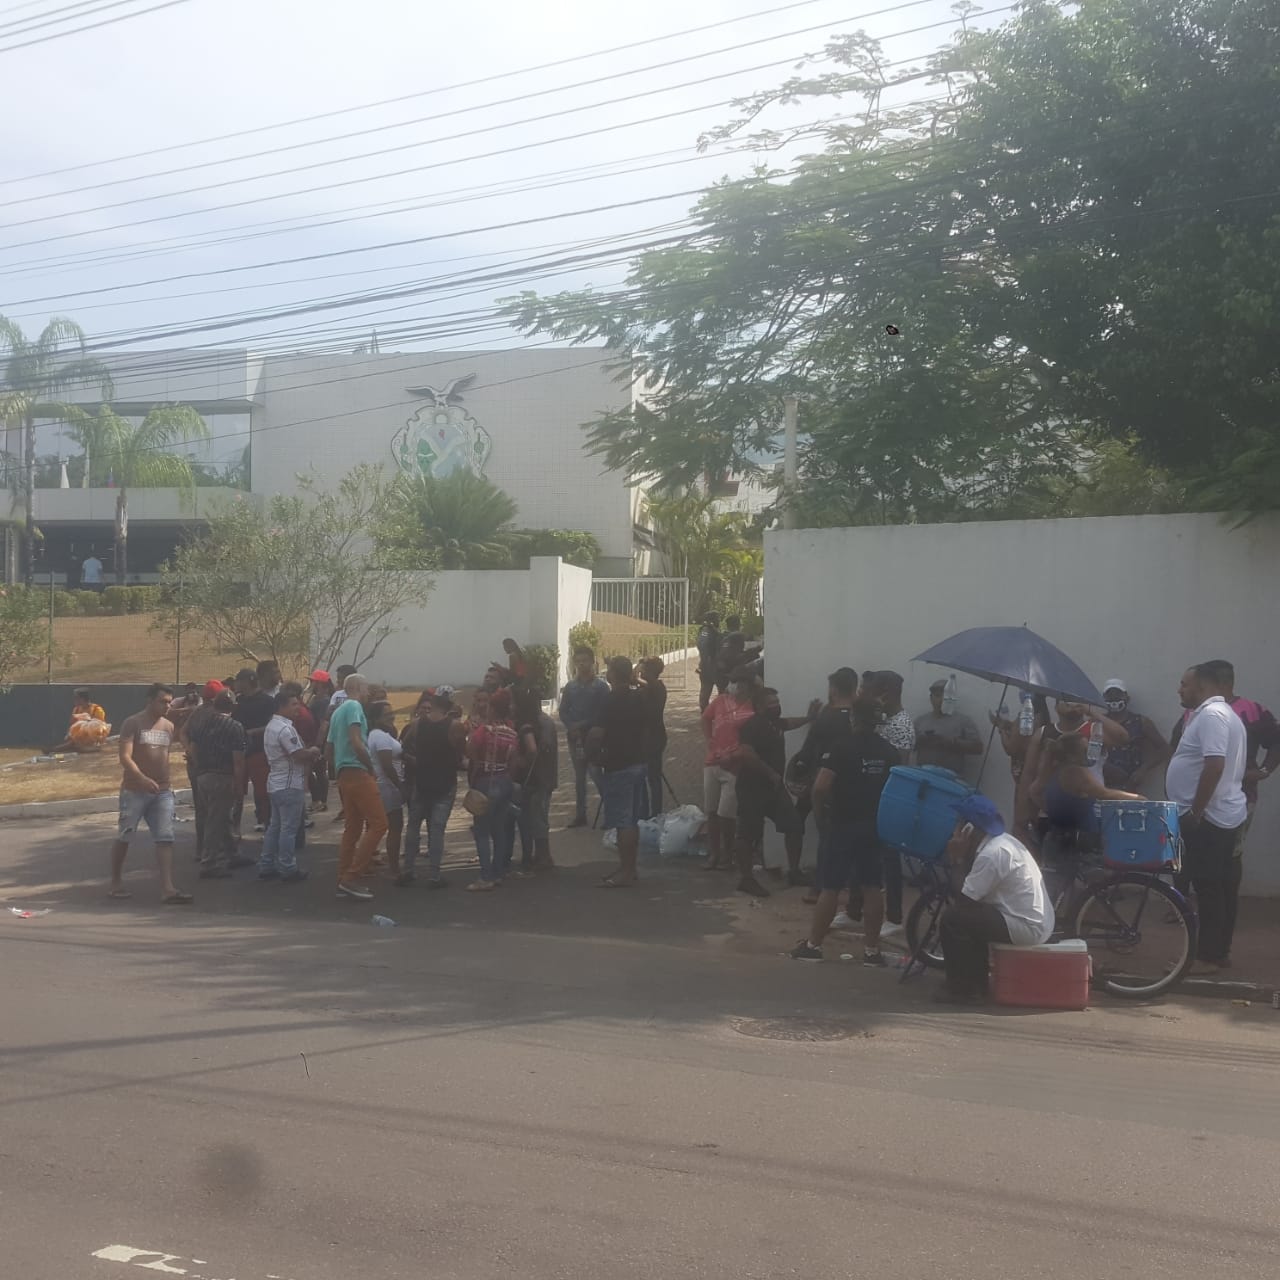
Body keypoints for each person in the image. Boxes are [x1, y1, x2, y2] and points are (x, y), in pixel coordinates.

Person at [790, 700, 900, 964]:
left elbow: (820, 787)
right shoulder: (889, 751)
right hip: (874, 826)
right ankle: (872, 951)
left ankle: (814, 946)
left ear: (854, 718)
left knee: (831, 887)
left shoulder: (841, 747)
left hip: (842, 825)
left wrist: (820, 815)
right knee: (872, 887)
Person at [1166, 661, 1248, 975]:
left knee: (1209, 887)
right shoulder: (1220, 714)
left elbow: (1214, 765)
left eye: (1184, 684)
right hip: (1220, 815)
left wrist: (1196, 811)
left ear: (1202, 685)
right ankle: (1218, 953)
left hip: (1209, 818)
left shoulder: (1212, 715)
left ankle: (1208, 957)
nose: (1179, 690)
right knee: (1221, 887)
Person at [935, 794, 1054, 1003]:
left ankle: (964, 990)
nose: (955, 829)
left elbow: (964, 899)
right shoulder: (1001, 842)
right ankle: (975, 984)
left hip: (1027, 926)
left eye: (959, 824)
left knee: (953, 919)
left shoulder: (992, 854)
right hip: (1030, 919)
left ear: (969, 829)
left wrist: (957, 859)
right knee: (970, 917)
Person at [107, 683, 192, 905]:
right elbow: (125, 757)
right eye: (162, 701)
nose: (167, 706)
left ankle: (168, 888)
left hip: (162, 791)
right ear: (150, 700)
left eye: (169, 702)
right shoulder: (133, 723)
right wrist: (141, 778)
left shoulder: (168, 726)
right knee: (125, 836)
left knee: (165, 838)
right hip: (134, 790)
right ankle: (115, 882)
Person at [731, 686, 814, 898]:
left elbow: (789, 723)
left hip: (773, 788)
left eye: (777, 702)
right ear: (759, 706)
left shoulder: (774, 723)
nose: (776, 706)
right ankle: (746, 879)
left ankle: (794, 872)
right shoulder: (752, 726)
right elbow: (746, 754)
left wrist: (809, 718)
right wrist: (770, 773)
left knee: (794, 824)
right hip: (752, 788)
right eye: (772, 703)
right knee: (747, 833)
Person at [787, 667, 859, 890]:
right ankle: (835, 880)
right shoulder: (856, 719)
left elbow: (810, 746)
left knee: (814, 827)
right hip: (843, 781)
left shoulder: (827, 716)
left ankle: (808, 878)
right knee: (833, 832)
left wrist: (800, 768)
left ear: (834, 689)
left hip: (818, 777)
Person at [1032, 733, 1143, 869]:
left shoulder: (1053, 770)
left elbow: (1034, 792)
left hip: (1056, 838)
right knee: (1102, 879)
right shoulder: (1075, 772)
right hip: (1078, 844)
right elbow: (1104, 794)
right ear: (1071, 756)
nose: (1089, 754)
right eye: (1084, 751)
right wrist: (1138, 798)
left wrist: (1057, 812)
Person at [326, 673, 385, 901]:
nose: (369, 693)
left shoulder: (337, 712)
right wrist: (370, 767)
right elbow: (357, 741)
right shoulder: (353, 706)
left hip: (344, 772)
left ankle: (343, 878)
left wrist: (336, 772)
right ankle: (351, 877)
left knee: (352, 828)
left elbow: (329, 748)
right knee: (379, 824)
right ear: (358, 687)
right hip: (357, 770)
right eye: (366, 688)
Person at [401, 690, 467, 888]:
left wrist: (417, 760)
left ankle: (408, 869)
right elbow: (461, 751)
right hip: (445, 783)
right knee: (437, 829)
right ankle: (434, 874)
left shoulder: (418, 723)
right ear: (448, 707)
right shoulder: (454, 726)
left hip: (422, 781)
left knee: (413, 826)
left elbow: (405, 745)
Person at [592, 655, 648, 888]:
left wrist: (590, 753)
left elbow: (597, 732)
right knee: (631, 819)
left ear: (613, 674)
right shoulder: (639, 698)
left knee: (623, 821)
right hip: (638, 761)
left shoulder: (609, 699)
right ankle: (629, 867)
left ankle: (626, 870)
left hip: (618, 765)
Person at [186, 689, 247, 879]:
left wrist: (199, 768)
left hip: (203, 775)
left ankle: (232, 853)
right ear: (233, 706)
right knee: (215, 819)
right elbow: (238, 760)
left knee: (220, 816)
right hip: (222, 776)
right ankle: (209, 863)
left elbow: (192, 749)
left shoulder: (202, 723)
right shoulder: (235, 726)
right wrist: (239, 785)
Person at [259, 690, 319, 882]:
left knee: (275, 827)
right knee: (288, 829)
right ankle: (288, 867)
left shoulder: (271, 726)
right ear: (281, 706)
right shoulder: (285, 729)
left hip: (276, 783)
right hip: (289, 784)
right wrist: (313, 751)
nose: (298, 708)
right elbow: (298, 754)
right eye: (293, 704)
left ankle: (267, 864)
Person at [700, 673, 757, 871]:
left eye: (741, 683)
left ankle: (728, 853)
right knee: (711, 811)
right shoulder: (720, 701)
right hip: (713, 762)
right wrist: (709, 739)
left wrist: (733, 756)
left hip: (734, 766)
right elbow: (705, 718)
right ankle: (714, 853)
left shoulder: (752, 708)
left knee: (727, 814)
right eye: (734, 682)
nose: (736, 687)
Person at [465, 687, 519, 891]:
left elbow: (470, 750)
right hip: (505, 780)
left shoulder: (484, 730)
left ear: (493, 709)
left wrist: (478, 761)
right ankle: (498, 872)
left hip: (486, 781)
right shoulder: (511, 732)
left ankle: (485, 876)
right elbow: (513, 762)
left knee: (481, 831)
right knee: (499, 830)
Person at [558, 646, 609, 828]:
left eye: (584, 660)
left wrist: (582, 725)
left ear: (592, 662)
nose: (581, 664)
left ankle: (610, 813)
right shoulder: (571, 687)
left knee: (596, 774)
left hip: (594, 738)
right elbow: (563, 710)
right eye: (578, 661)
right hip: (575, 739)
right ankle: (581, 815)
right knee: (579, 778)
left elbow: (604, 713)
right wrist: (571, 726)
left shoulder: (601, 687)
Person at [513, 684, 559, 874]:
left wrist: (524, 761)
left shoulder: (534, 723)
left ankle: (544, 857)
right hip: (545, 777)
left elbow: (537, 749)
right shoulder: (545, 721)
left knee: (538, 818)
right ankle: (542, 856)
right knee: (538, 816)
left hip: (538, 778)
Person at [1100, 679, 1169, 790]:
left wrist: (1143, 769)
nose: (1114, 699)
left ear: (1127, 698)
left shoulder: (1141, 722)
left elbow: (1164, 748)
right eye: (1110, 696)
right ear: (1104, 698)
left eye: (1118, 695)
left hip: (1129, 784)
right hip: (1100, 783)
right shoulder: (1097, 722)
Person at [366, 700, 409, 881]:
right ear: (376, 718)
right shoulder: (381, 737)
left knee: (375, 826)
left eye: (391, 712)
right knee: (394, 826)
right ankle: (394, 868)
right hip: (387, 786)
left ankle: (366, 862)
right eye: (387, 714)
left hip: (381, 784)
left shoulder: (375, 735)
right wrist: (400, 785)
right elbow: (387, 765)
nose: (391, 716)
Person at [232, 668, 276, 832]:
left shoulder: (267, 701)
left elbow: (272, 725)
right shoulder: (238, 701)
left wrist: (251, 732)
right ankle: (234, 828)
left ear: (247, 681)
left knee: (263, 791)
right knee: (236, 791)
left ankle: (268, 825)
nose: (236, 684)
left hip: (259, 751)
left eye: (238, 680)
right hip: (238, 752)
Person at [915, 678, 983, 779]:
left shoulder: (963, 721)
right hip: (922, 775)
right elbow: (907, 745)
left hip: (950, 779)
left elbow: (978, 748)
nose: (942, 700)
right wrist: (920, 740)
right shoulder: (920, 721)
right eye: (938, 696)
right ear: (931, 698)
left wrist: (952, 742)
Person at [637, 656, 668, 818]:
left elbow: (639, 681)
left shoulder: (656, 687)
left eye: (644, 669)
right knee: (646, 776)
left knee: (653, 777)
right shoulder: (651, 687)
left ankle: (655, 813)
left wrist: (636, 673)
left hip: (654, 738)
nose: (641, 671)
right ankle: (647, 811)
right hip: (648, 737)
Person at [45, 686, 111, 754]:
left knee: (74, 744)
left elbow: (100, 728)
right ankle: (76, 747)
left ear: (82, 699)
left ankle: (54, 749)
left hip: (93, 738)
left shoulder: (96, 709)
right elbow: (72, 726)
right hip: (79, 737)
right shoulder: (76, 709)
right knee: (72, 742)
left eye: (76, 698)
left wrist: (86, 722)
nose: (74, 700)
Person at [305, 670, 334, 811]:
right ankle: (319, 800)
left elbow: (324, 723)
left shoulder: (323, 702)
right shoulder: (316, 699)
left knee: (317, 770)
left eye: (313, 682)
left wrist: (318, 743)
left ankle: (320, 800)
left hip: (318, 741)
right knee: (316, 770)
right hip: (314, 739)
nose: (311, 684)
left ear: (321, 684)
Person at [696, 612, 723, 711]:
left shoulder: (710, 630)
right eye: (717, 618)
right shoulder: (707, 630)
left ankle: (716, 712)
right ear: (712, 620)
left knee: (719, 691)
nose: (719, 621)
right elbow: (702, 646)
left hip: (711, 665)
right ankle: (705, 713)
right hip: (710, 666)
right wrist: (706, 660)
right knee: (707, 691)